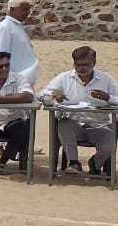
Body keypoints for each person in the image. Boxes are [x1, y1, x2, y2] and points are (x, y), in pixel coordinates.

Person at [38, 45, 118, 177]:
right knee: (64, 123)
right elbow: (41, 94)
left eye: (86, 65)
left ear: (94, 63)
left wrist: (107, 97)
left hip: (99, 125)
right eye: (78, 65)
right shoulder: (64, 78)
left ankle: (95, 164)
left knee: (109, 145)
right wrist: (53, 95)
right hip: (74, 126)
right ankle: (74, 162)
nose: (82, 68)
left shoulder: (106, 79)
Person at [0, 0, 39, 87]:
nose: (28, 12)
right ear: (12, 10)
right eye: (24, 9)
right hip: (12, 83)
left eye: (29, 9)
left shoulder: (18, 27)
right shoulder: (4, 28)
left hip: (23, 81)